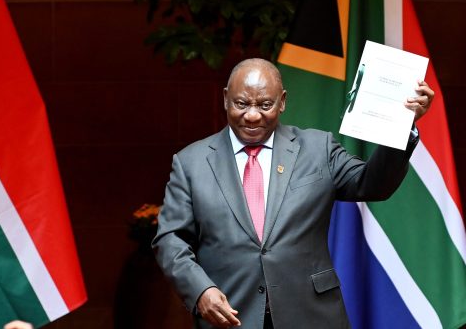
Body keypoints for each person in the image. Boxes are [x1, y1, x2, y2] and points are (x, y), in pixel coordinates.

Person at [152, 58, 434, 329]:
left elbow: (373, 184)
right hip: (230, 317)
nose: (252, 115)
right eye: (241, 103)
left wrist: (403, 127)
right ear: (225, 98)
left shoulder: (317, 148)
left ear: (283, 101)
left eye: (265, 104)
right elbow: (170, 238)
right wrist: (200, 291)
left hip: (311, 315)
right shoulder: (191, 162)